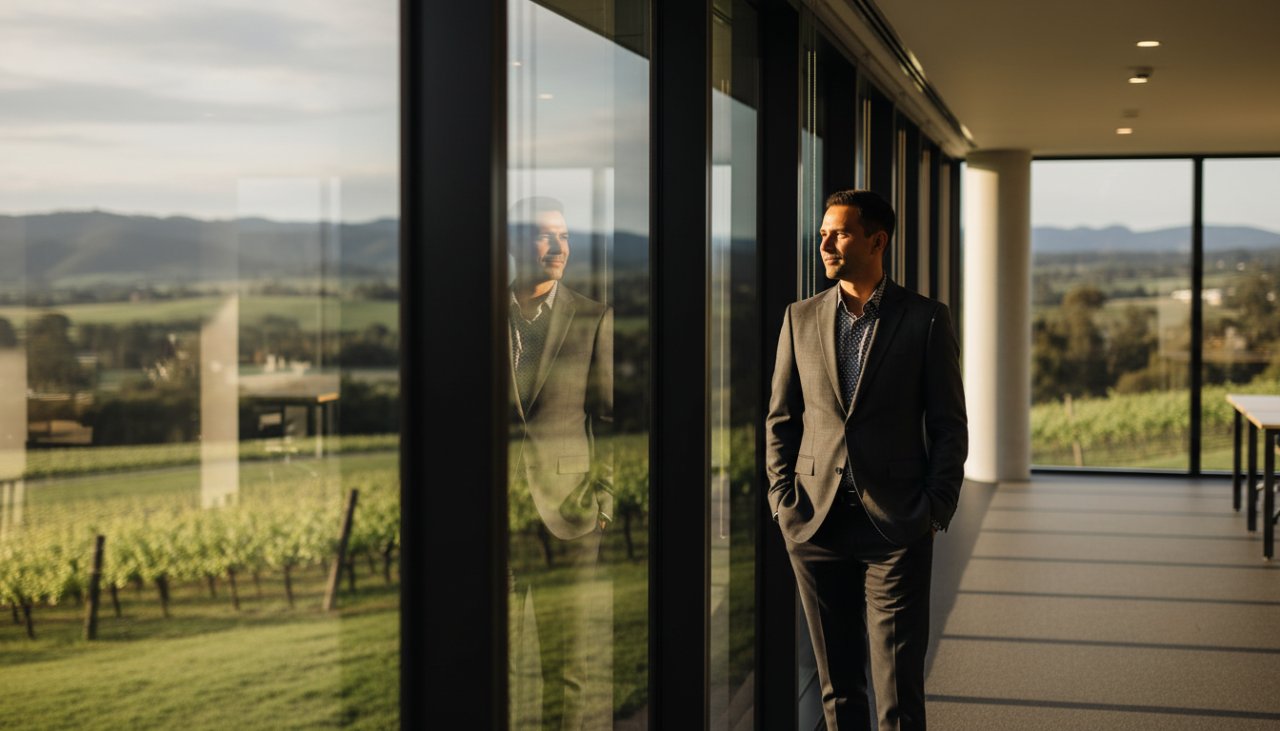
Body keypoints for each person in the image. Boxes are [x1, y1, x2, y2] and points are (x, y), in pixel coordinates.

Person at [765, 189, 967, 730]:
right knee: (838, 691)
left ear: (877, 241)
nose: (825, 242)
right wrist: (782, 501)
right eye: (824, 232)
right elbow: (781, 420)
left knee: (899, 688)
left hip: (897, 525)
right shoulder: (799, 317)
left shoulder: (925, 320)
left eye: (840, 232)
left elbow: (949, 424)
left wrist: (934, 509)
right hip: (814, 524)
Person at [506, 196, 613, 729]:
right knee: (493, 661)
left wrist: (605, 506)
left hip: (572, 514)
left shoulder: (593, 317)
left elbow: (611, 421)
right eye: (546, 235)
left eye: (565, 236)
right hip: (499, 515)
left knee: (569, 664)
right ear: (513, 244)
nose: (559, 247)